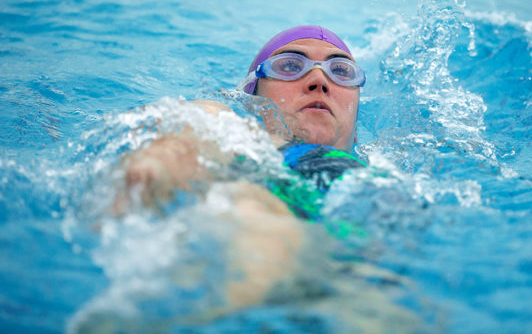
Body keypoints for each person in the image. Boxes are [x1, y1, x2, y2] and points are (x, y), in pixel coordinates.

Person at [116, 25, 372, 311]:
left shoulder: (385, 169)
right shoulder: (248, 144)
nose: (318, 80)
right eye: (289, 66)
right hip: (268, 212)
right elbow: (201, 120)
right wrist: (160, 160)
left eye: (341, 71)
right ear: (252, 104)